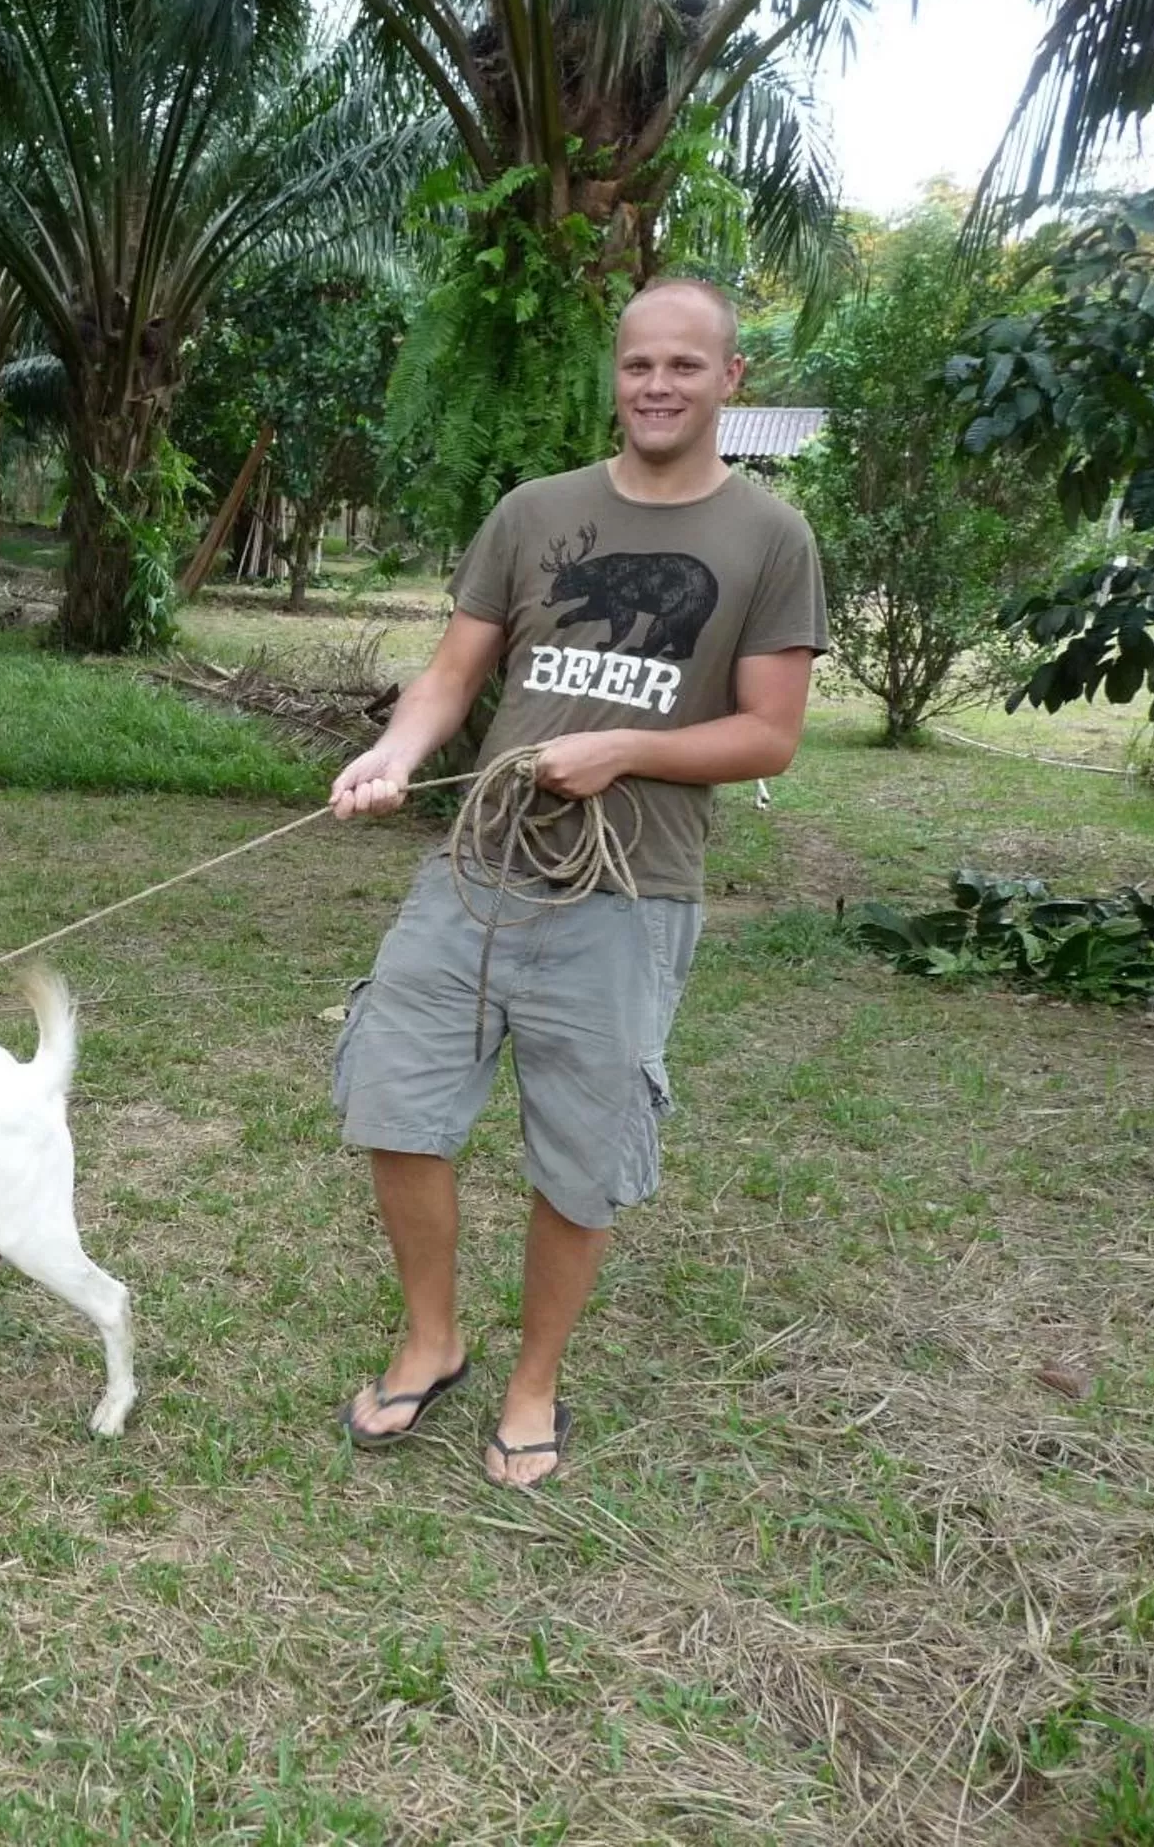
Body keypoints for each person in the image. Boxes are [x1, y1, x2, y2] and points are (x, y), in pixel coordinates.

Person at [327, 278, 826, 1489]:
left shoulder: (768, 537)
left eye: (684, 367)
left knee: (582, 1154)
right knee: (395, 1100)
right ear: (615, 376)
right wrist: (397, 751)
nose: (657, 385)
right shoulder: (536, 512)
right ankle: (430, 1339)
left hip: (632, 888)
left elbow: (768, 737)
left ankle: (533, 1381)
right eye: (638, 364)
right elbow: (453, 673)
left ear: (729, 380)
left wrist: (627, 749)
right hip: (476, 869)